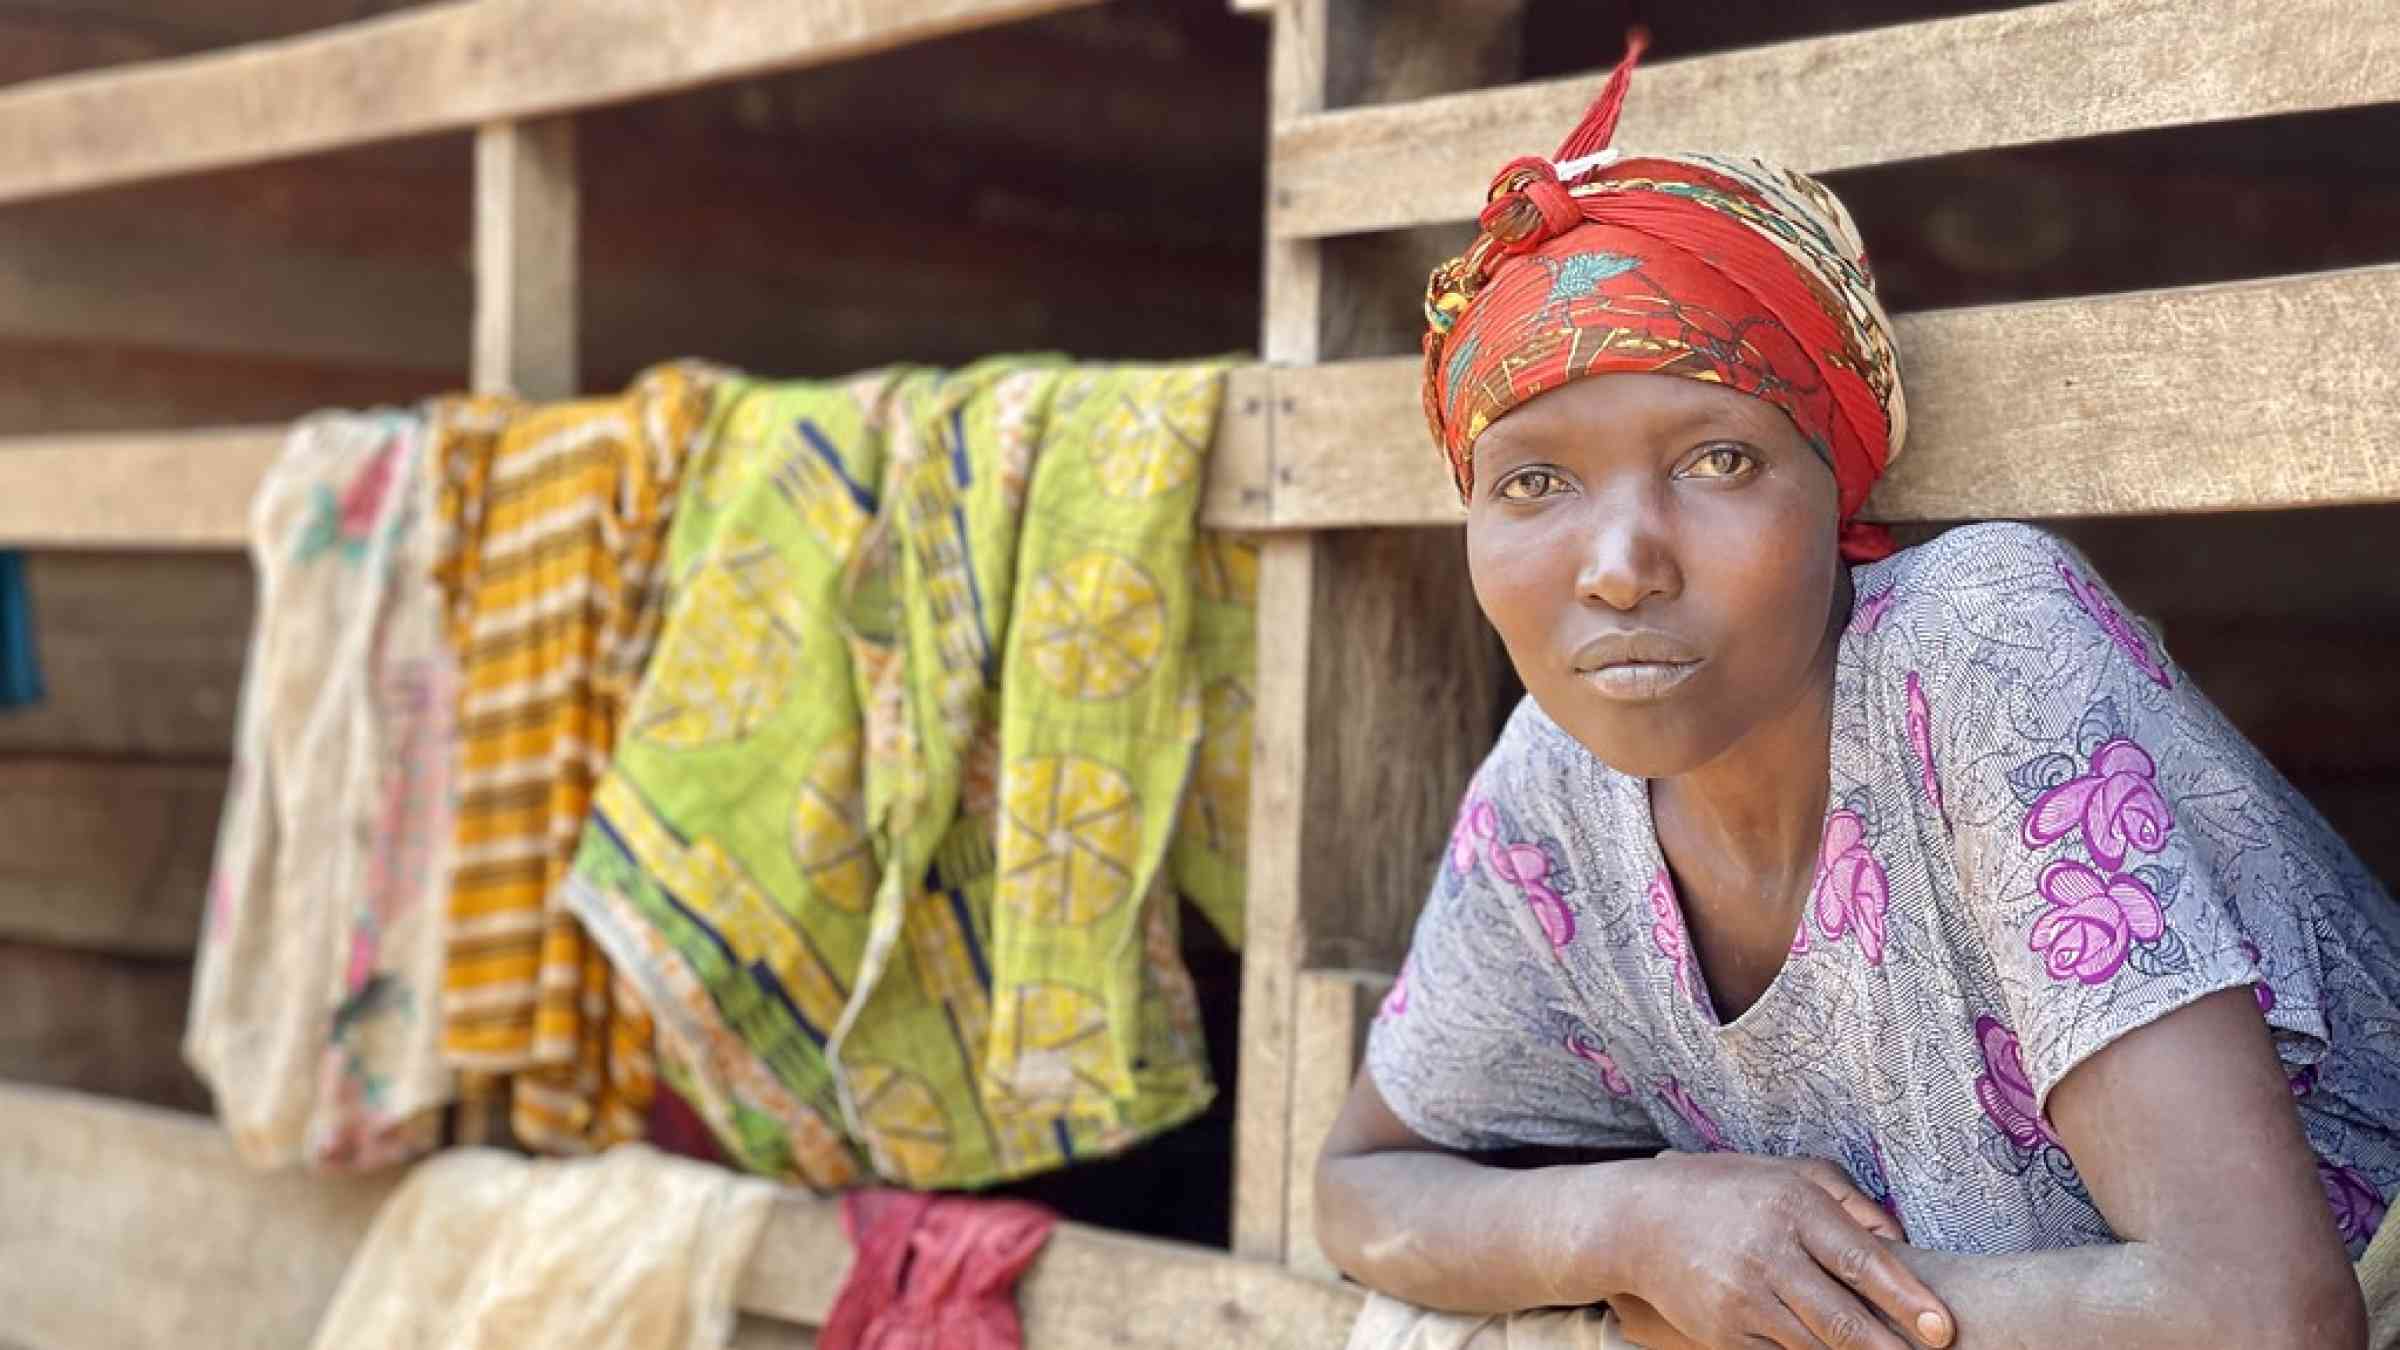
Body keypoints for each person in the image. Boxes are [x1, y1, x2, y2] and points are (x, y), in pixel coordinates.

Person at [1316, 35, 2398, 1350]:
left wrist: (1719, 1318)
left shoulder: (1980, 646)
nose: (1617, 567)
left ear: (1840, 491)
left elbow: (2268, 1317)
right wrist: (1647, 1226)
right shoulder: (1556, 785)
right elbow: (1361, 1188)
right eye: (1534, 483)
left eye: (1718, 458)